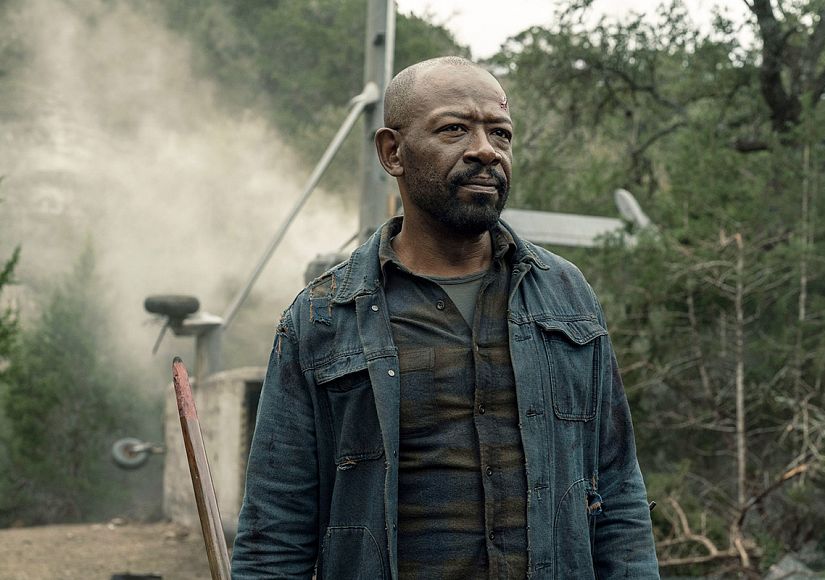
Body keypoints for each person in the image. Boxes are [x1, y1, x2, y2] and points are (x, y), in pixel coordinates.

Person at [232, 56, 659, 579]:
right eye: (455, 129)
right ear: (393, 152)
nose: (486, 150)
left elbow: (618, 490)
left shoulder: (567, 296)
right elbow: (275, 530)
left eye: (500, 134)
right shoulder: (322, 317)